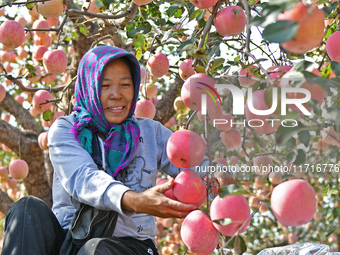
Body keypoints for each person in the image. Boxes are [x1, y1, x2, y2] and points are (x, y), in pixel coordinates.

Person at [1, 46, 236, 255]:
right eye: (104, 86)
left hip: (131, 245)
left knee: (97, 249)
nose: (117, 94)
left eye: (125, 84)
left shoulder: (150, 132)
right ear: (89, 87)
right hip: (69, 243)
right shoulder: (66, 130)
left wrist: (219, 178)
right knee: (26, 209)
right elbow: (83, 178)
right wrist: (134, 200)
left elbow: (199, 168)